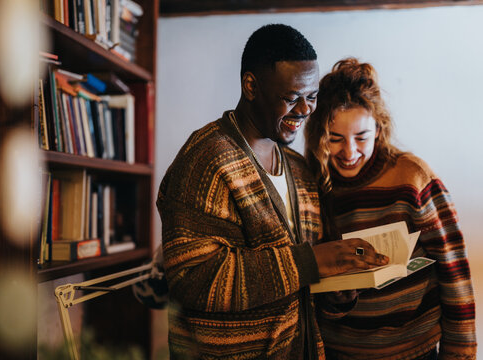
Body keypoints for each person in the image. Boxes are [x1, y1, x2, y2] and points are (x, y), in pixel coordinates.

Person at [156, 25, 388, 360]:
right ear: (251, 85)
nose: (306, 110)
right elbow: (191, 280)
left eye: (312, 98)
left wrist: (337, 295)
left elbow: (304, 286)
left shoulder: (300, 169)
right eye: (292, 98)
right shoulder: (205, 160)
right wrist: (313, 261)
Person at [304, 58, 477, 359]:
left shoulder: (412, 177)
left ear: (379, 130)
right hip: (342, 350)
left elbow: (454, 269)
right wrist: (336, 299)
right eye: (335, 139)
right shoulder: (312, 184)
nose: (349, 152)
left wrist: (460, 351)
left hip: (415, 349)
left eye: (361, 137)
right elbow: (313, 291)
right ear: (319, 134)